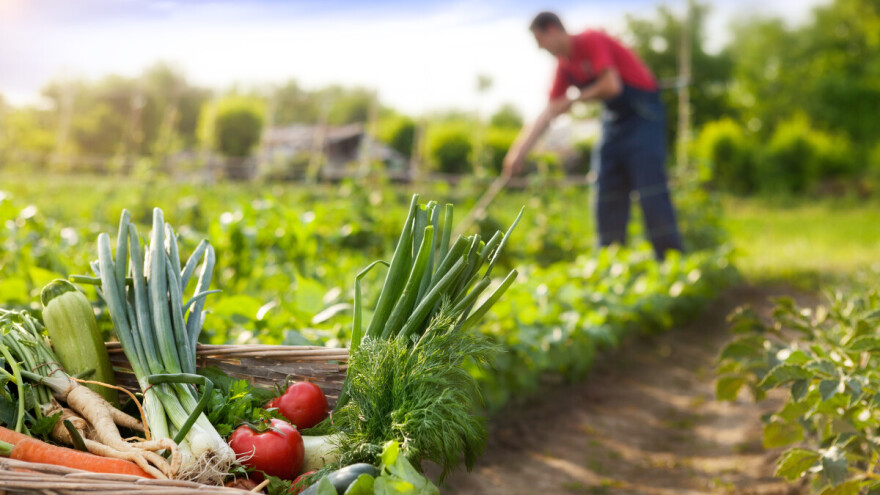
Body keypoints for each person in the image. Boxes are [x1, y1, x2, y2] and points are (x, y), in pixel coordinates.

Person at [503, 11, 684, 259]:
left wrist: (574, 98)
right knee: (606, 188)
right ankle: (610, 263)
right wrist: (518, 153)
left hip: (644, 114)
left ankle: (672, 262)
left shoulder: (590, 40)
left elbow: (611, 85)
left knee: (650, 189)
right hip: (614, 120)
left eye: (540, 41)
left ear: (553, 30)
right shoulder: (564, 67)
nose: (540, 48)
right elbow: (549, 110)